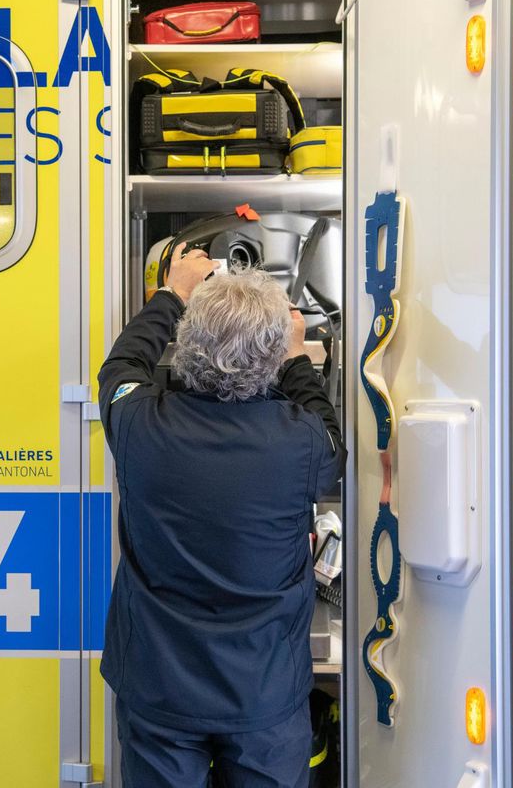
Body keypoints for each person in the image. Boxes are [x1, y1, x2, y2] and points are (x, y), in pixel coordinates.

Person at [97, 242, 345, 788]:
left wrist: (174, 291)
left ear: (185, 343)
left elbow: (121, 366)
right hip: (263, 695)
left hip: (159, 690)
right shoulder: (302, 443)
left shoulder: (139, 425)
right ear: (273, 354)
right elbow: (330, 434)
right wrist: (299, 359)